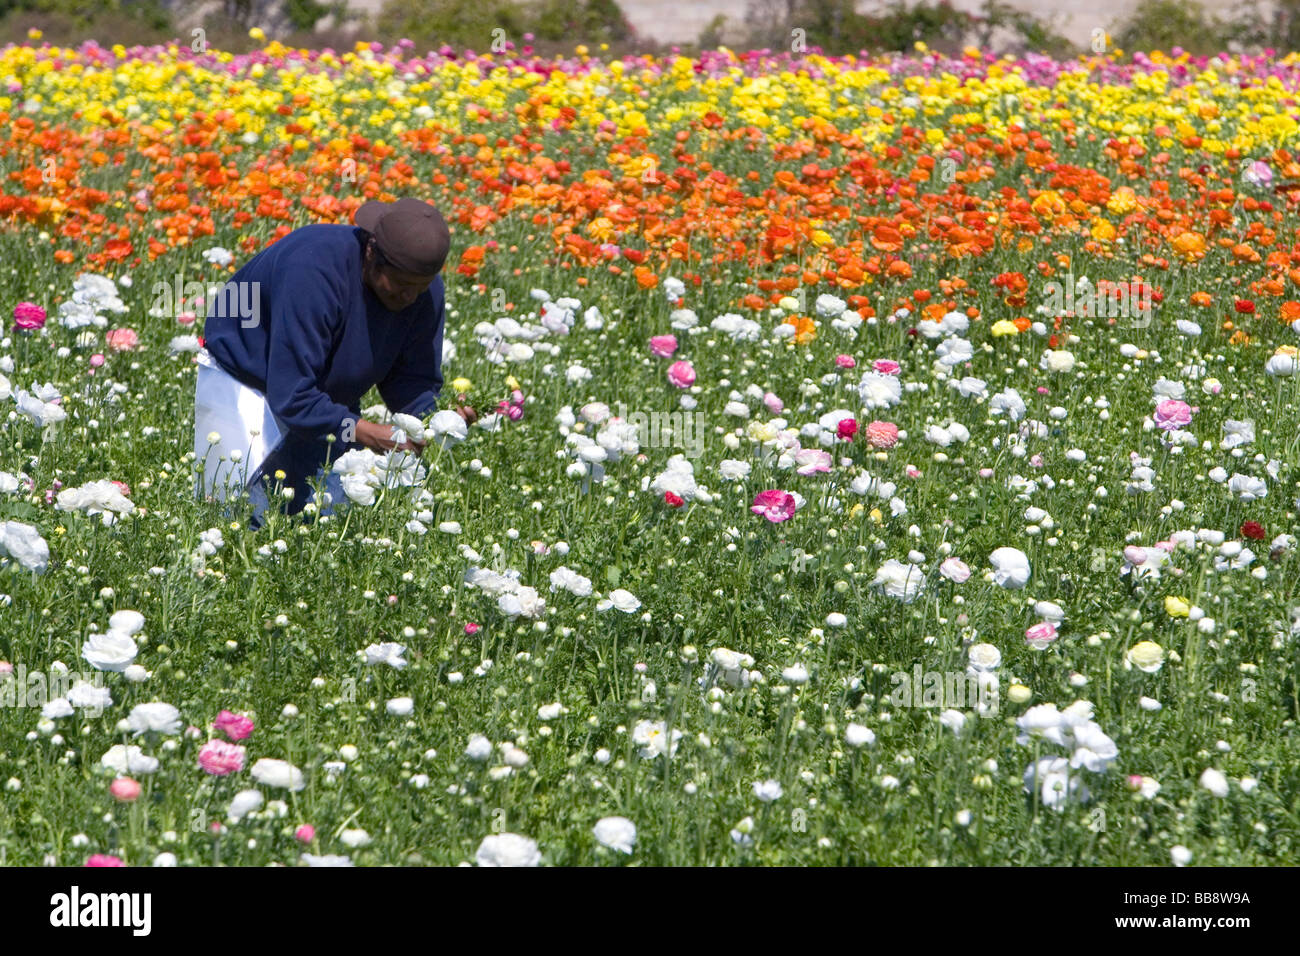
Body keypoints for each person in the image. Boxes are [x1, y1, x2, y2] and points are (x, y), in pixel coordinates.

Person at [193, 197, 475, 527]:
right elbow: (293, 397)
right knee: (239, 522)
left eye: (421, 287)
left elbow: (411, 382)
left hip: (322, 398)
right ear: (371, 253)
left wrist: (437, 418)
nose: (410, 298)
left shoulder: (422, 292)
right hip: (244, 383)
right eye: (400, 285)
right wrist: (363, 432)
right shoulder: (313, 271)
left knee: (321, 523)